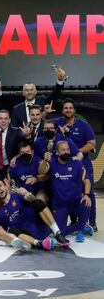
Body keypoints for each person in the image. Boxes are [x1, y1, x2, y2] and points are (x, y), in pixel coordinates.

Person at [53, 98, 97, 231]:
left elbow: (92, 143)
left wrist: (76, 152)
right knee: (71, 192)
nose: (68, 110)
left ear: (74, 110)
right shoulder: (57, 124)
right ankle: (75, 221)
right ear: (62, 111)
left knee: (88, 191)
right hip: (64, 164)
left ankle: (92, 221)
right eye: (65, 108)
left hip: (82, 163)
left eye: (70, 108)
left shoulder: (84, 125)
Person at [39, 141, 92, 242]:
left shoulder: (76, 163)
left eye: (67, 149)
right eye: (63, 150)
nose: (66, 152)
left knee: (86, 202)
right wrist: (44, 161)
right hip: (60, 205)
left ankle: (81, 229)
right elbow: (41, 171)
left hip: (75, 202)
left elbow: (87, 181)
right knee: (60, 233)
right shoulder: (52, 163)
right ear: (57, 152)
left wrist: (86, 194)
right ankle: (82, 226)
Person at [0, 179, 69, 250]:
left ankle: (57, 233)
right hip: (29, 236)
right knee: (11, 231)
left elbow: (30, 198)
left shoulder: (17, 196)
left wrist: (28, 194)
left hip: (41, 227)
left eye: (0, 186)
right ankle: (39, 244)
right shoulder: (1, 213)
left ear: (5, 187)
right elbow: (7, 234)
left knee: (37, 202)